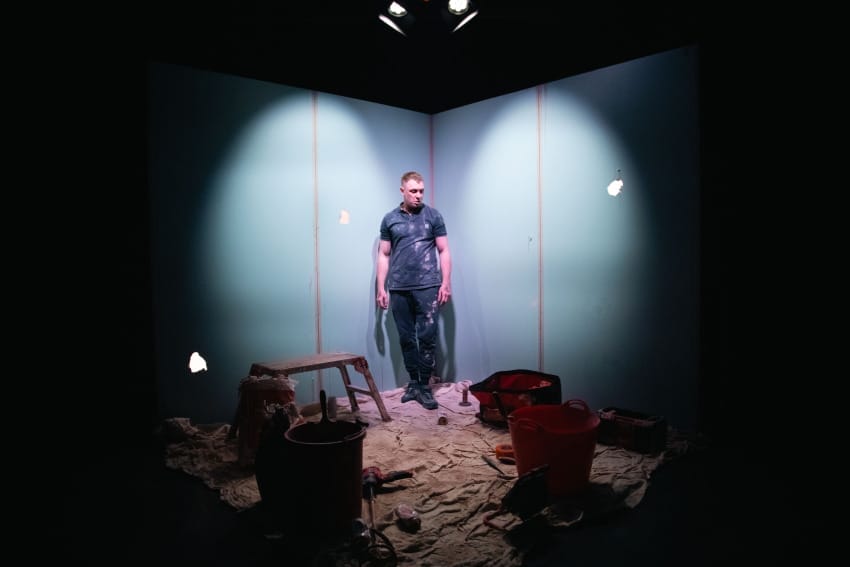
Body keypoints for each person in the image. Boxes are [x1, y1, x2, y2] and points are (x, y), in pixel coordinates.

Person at [376, 171, 452, 410]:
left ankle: (425, 386)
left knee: (428, 338)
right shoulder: (390, 219)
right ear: (403, 191)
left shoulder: (433, 216)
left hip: (428, 286)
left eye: (421, 191)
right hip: (398, 287)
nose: (418, 195)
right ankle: (414, 384)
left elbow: (444, 250)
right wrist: (381, 288)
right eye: (413, 191)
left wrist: (445, 282)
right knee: (406, 338)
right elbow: (383, 254)